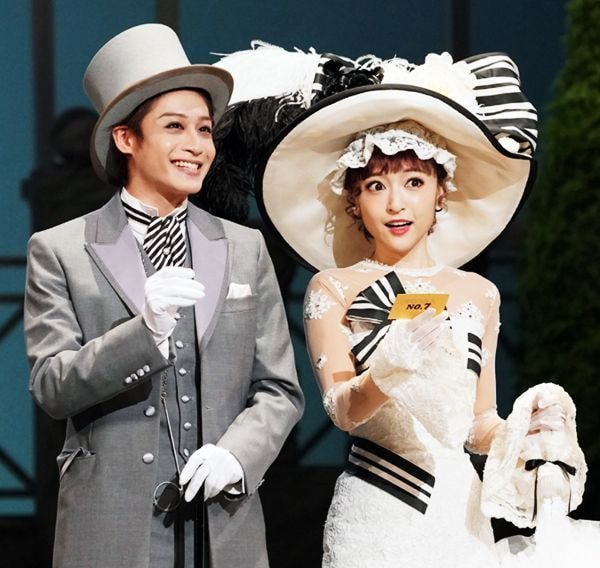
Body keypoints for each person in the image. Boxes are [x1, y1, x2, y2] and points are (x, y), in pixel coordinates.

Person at [245, 49, 597, 566]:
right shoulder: (333, 288)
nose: (396, 203)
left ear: (440, 193)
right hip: (376, 508)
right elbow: (342, 411)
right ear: (354, 200)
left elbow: (477, 425)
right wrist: (389, 368)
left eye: (414, 182)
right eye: (376, 185)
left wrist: (525, 433)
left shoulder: (479, 293)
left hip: (460, 515)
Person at [24, 24, 303, 568]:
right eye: (174, 126)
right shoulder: (61, 250)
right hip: (110, 525)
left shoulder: (244, 247)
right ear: (126, 139)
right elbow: (52, 387)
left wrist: (237, 456)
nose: (196, 145)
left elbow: (279, 388)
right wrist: (143, 332)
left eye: (204, 129)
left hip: (222, 525)